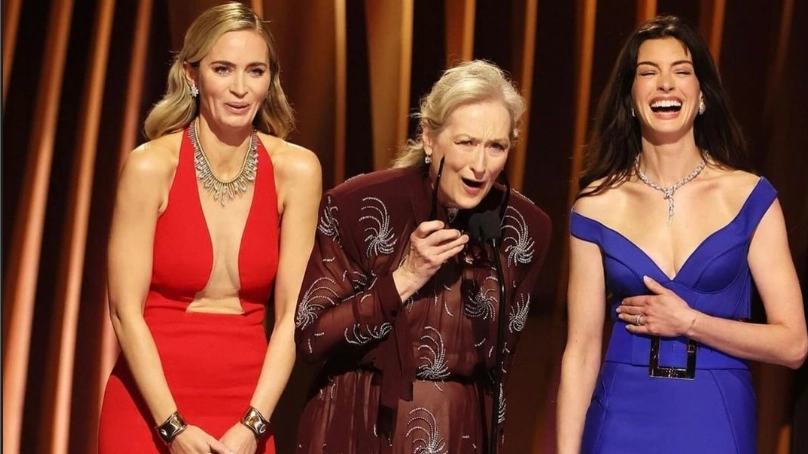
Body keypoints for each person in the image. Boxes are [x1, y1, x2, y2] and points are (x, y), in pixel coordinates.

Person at [556, 15, 807, 454]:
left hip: (715, 412)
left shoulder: (750, 197)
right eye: (648, 73)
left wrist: (690, 322)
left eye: (682, 71)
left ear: (702, 95)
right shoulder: (595, 206)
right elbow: (581, 350)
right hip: (620, 415)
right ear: (631, 99)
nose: (666, 84)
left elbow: (793, 344)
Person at [293, 60, 551, 453]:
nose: (481, 166)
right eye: (466, 142)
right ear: (430, 139)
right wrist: (405, 277)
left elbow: (500, 369)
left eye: (495, 146)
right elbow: (311, 338)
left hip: (461, 431)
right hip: (359, 428)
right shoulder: (360, 206)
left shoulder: (524, 227)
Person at [98, 3, 322, 453]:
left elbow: (292, 320)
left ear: (269, 81)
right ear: (191, 75)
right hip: (149, 405)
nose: (240, 88)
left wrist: (253, 425)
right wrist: (172, 427)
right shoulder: (149, 166)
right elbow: (125, 311)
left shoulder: (296, 170)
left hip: (246, 409)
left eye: (255, 71)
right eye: (223, 69)